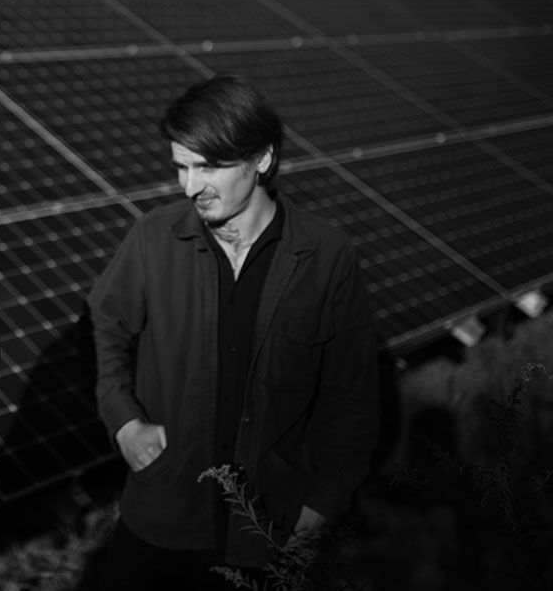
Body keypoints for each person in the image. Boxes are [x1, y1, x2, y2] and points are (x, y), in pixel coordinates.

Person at [88, 74, 380, 589]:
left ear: (262, 159)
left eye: (208, 166)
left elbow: (352, 396)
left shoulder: (325, 257)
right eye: (181, 166)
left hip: (269, 531)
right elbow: (106, 327)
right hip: (161, 517)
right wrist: (124, 420)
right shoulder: (154, 238)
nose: (189, 186)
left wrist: (322, 506)